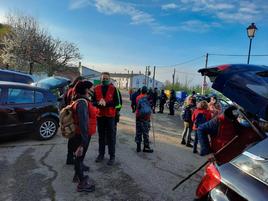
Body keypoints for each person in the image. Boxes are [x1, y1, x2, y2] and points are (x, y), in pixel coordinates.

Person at [197, 106, 262, 163]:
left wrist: (257, 128)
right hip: (218, 160)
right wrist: (208, 152)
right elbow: (201, 129)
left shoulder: (235, 122)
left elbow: (245, 134)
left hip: (233, 159)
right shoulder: (218, 121)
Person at [71, 80, 96, 192]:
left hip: (79, 134)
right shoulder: (82, 103)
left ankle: (77, 176)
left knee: (78, 158)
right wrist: (83, 142)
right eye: (92, 87)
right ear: (86, 89)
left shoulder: (81, 100)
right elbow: (83, 123)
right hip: (81, 135)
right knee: (79, 158)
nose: (93, 89)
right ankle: (81, 183)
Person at [94, 72, 119, 166]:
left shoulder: (114, 89)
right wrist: (98, 103)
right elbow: (92, 102)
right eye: (103, 78)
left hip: (110, 117)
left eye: (106, 78)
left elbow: (117, 103)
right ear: (100, 79)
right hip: (100, 116)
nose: (105, 79)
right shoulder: (96, 88)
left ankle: (112, 156)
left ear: (109, 79)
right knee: (101, 137)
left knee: (111, 137)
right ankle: (101, 155)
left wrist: (106, 104)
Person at [63, 76, 84, 165]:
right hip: (74, 118)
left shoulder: (68, 90)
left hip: (69, 117)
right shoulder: (73, 91)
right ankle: (77, 161)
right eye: (82, 83)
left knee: (71, 139)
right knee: (76, 141)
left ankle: (69, 158)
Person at [135, 86, 154, 153]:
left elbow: (137, 106)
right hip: (146, 117)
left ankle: (138, 147)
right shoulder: (148, 98)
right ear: (146, 91)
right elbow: (150, 107)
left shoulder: (138, 97)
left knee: (138, 131)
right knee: (145, 132)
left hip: (138, 116)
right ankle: (146, 147)